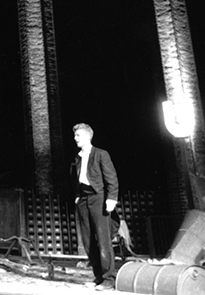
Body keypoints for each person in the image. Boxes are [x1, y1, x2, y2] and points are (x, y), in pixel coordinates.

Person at [71, 122, 119, 291]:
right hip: (83, 199)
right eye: (75, 135)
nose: (75, 138)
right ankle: (98, 276)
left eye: (78, 135)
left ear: (87, 136)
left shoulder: (100, 154)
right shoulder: (77, 157)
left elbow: (111, 178)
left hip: (99, 198)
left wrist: (111, 199)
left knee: (103, 239)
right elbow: (76, 178)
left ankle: (109, 279)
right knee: (88, 240)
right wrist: (77, 196)